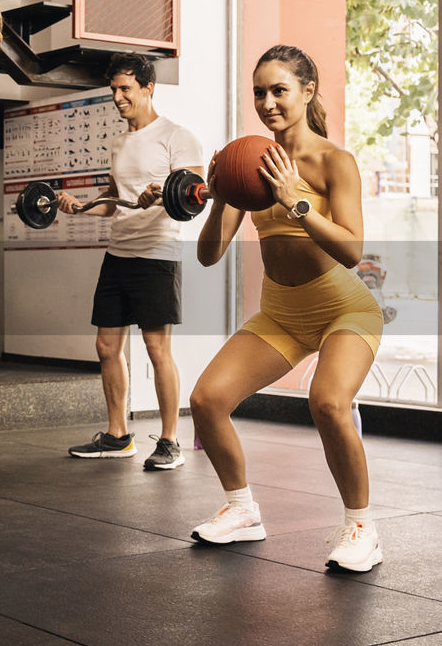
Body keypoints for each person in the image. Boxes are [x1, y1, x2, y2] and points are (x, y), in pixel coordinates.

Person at [188, 45, 384, 572]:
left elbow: (351, 250)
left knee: (328, 403)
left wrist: (296, 199)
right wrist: (219, 196)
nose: (268, 102)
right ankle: (243, 510)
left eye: (280, 90)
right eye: (260, 92)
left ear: (307, 91)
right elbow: (209, 256)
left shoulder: (333, 162)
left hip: (345, 311)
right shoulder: (247, 163)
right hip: (281, 314)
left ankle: (361, 528)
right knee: (207, 400)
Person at [60, 53, 203, 471]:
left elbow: (194, 198)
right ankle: (119, 435)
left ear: (148, 88)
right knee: (107, 346)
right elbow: (114, 201)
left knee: (158, 349)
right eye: (114, 90)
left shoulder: (177, 136)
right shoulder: (119, 142)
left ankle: (171, 440)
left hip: (158, 254)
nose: (118, 97)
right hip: (118, 253)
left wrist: (159, 196)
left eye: (125, 89)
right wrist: (81, 209)